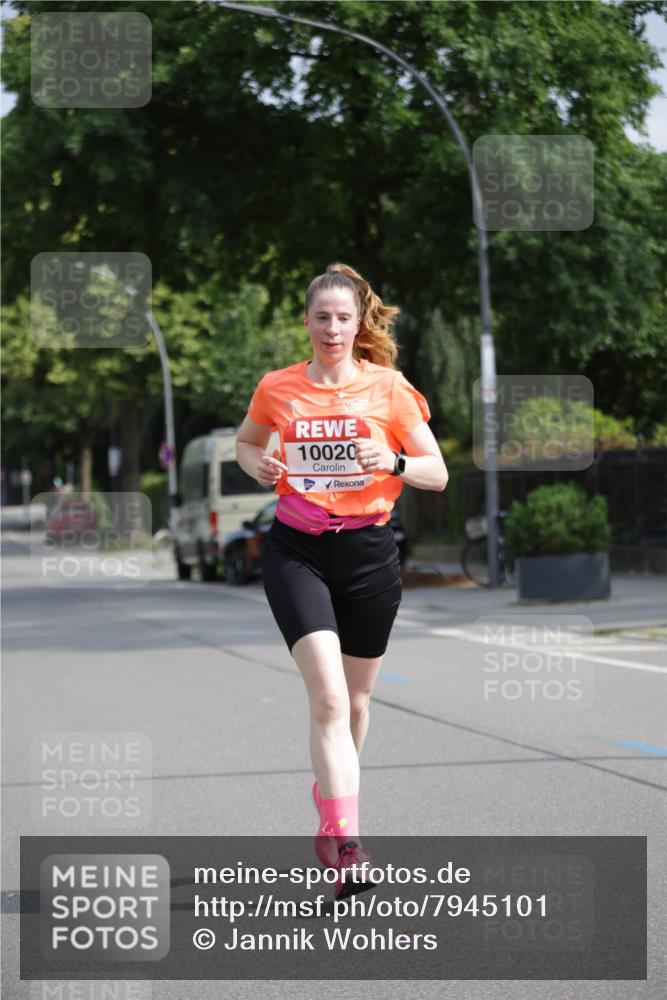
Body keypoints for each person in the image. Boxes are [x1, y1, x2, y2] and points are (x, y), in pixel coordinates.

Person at [236, 262, 448, 900]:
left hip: (369, 553)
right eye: (321, 317)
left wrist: (395, 460)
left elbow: (437, 473)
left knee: (355, 706)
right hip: (298, 549)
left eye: (343, 318)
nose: (332, 328)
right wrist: (260, 463)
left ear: (359, 325)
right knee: (328, 699)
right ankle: (347, 841)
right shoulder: (277, 388)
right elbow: (247, 444)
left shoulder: (389, 389)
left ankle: (331, 795)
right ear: (306, 322)